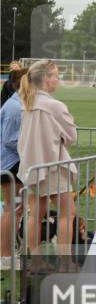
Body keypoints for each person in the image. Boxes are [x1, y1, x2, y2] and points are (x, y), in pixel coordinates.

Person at [17, 60, 78, 265]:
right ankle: (65, 262)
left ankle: (35, 260)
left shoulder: (26, 102)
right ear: (45, 78)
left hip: (31, 166)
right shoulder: (54, 105)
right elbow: (71, 136)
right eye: (56, 76)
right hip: (52, 166)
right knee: (66, 213)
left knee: (36, 213)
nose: (58, 80)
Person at [0, 66, 25, 259]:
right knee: (13, 208)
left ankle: (9, 252)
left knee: (16, 208)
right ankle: (5, 255)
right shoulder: (14, 107)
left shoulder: (18, 104)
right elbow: (9, 139)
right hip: (11, 163)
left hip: (14, 162)